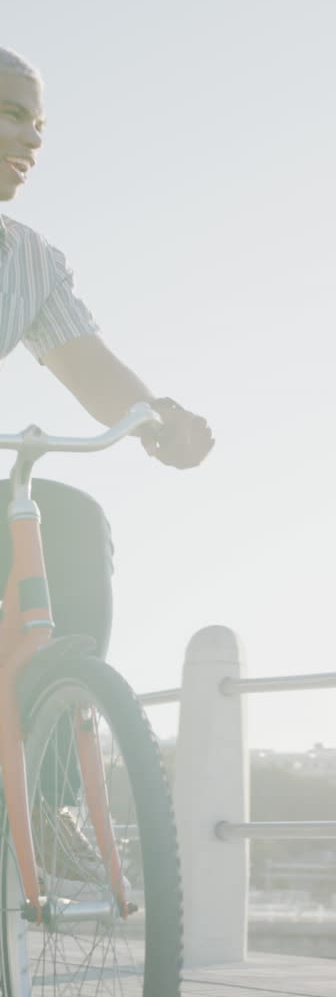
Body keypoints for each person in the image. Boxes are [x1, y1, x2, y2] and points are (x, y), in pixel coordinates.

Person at [0, 44, 213, 869]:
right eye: (11, 113)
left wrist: (156, 418)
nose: (32, 137)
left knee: (70, 520)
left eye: (39, 124)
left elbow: (90, 369)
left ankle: (49, 795)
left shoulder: (29, 261)